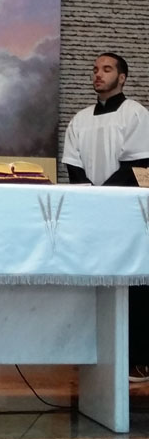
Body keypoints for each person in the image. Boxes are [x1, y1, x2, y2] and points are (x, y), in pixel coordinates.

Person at [63, 52, 149, 381]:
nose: (98, 74)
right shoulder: (80, 119)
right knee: (93, 283)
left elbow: (137, 165)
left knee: (132, 282)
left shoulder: (135, 114)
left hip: (126, 210)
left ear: (122, 78)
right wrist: (90, 198)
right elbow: (73, 167)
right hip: (92, 212)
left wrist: (103, 197)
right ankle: (91, 352)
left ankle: (138, 358)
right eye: (95, 69)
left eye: (107, 69)